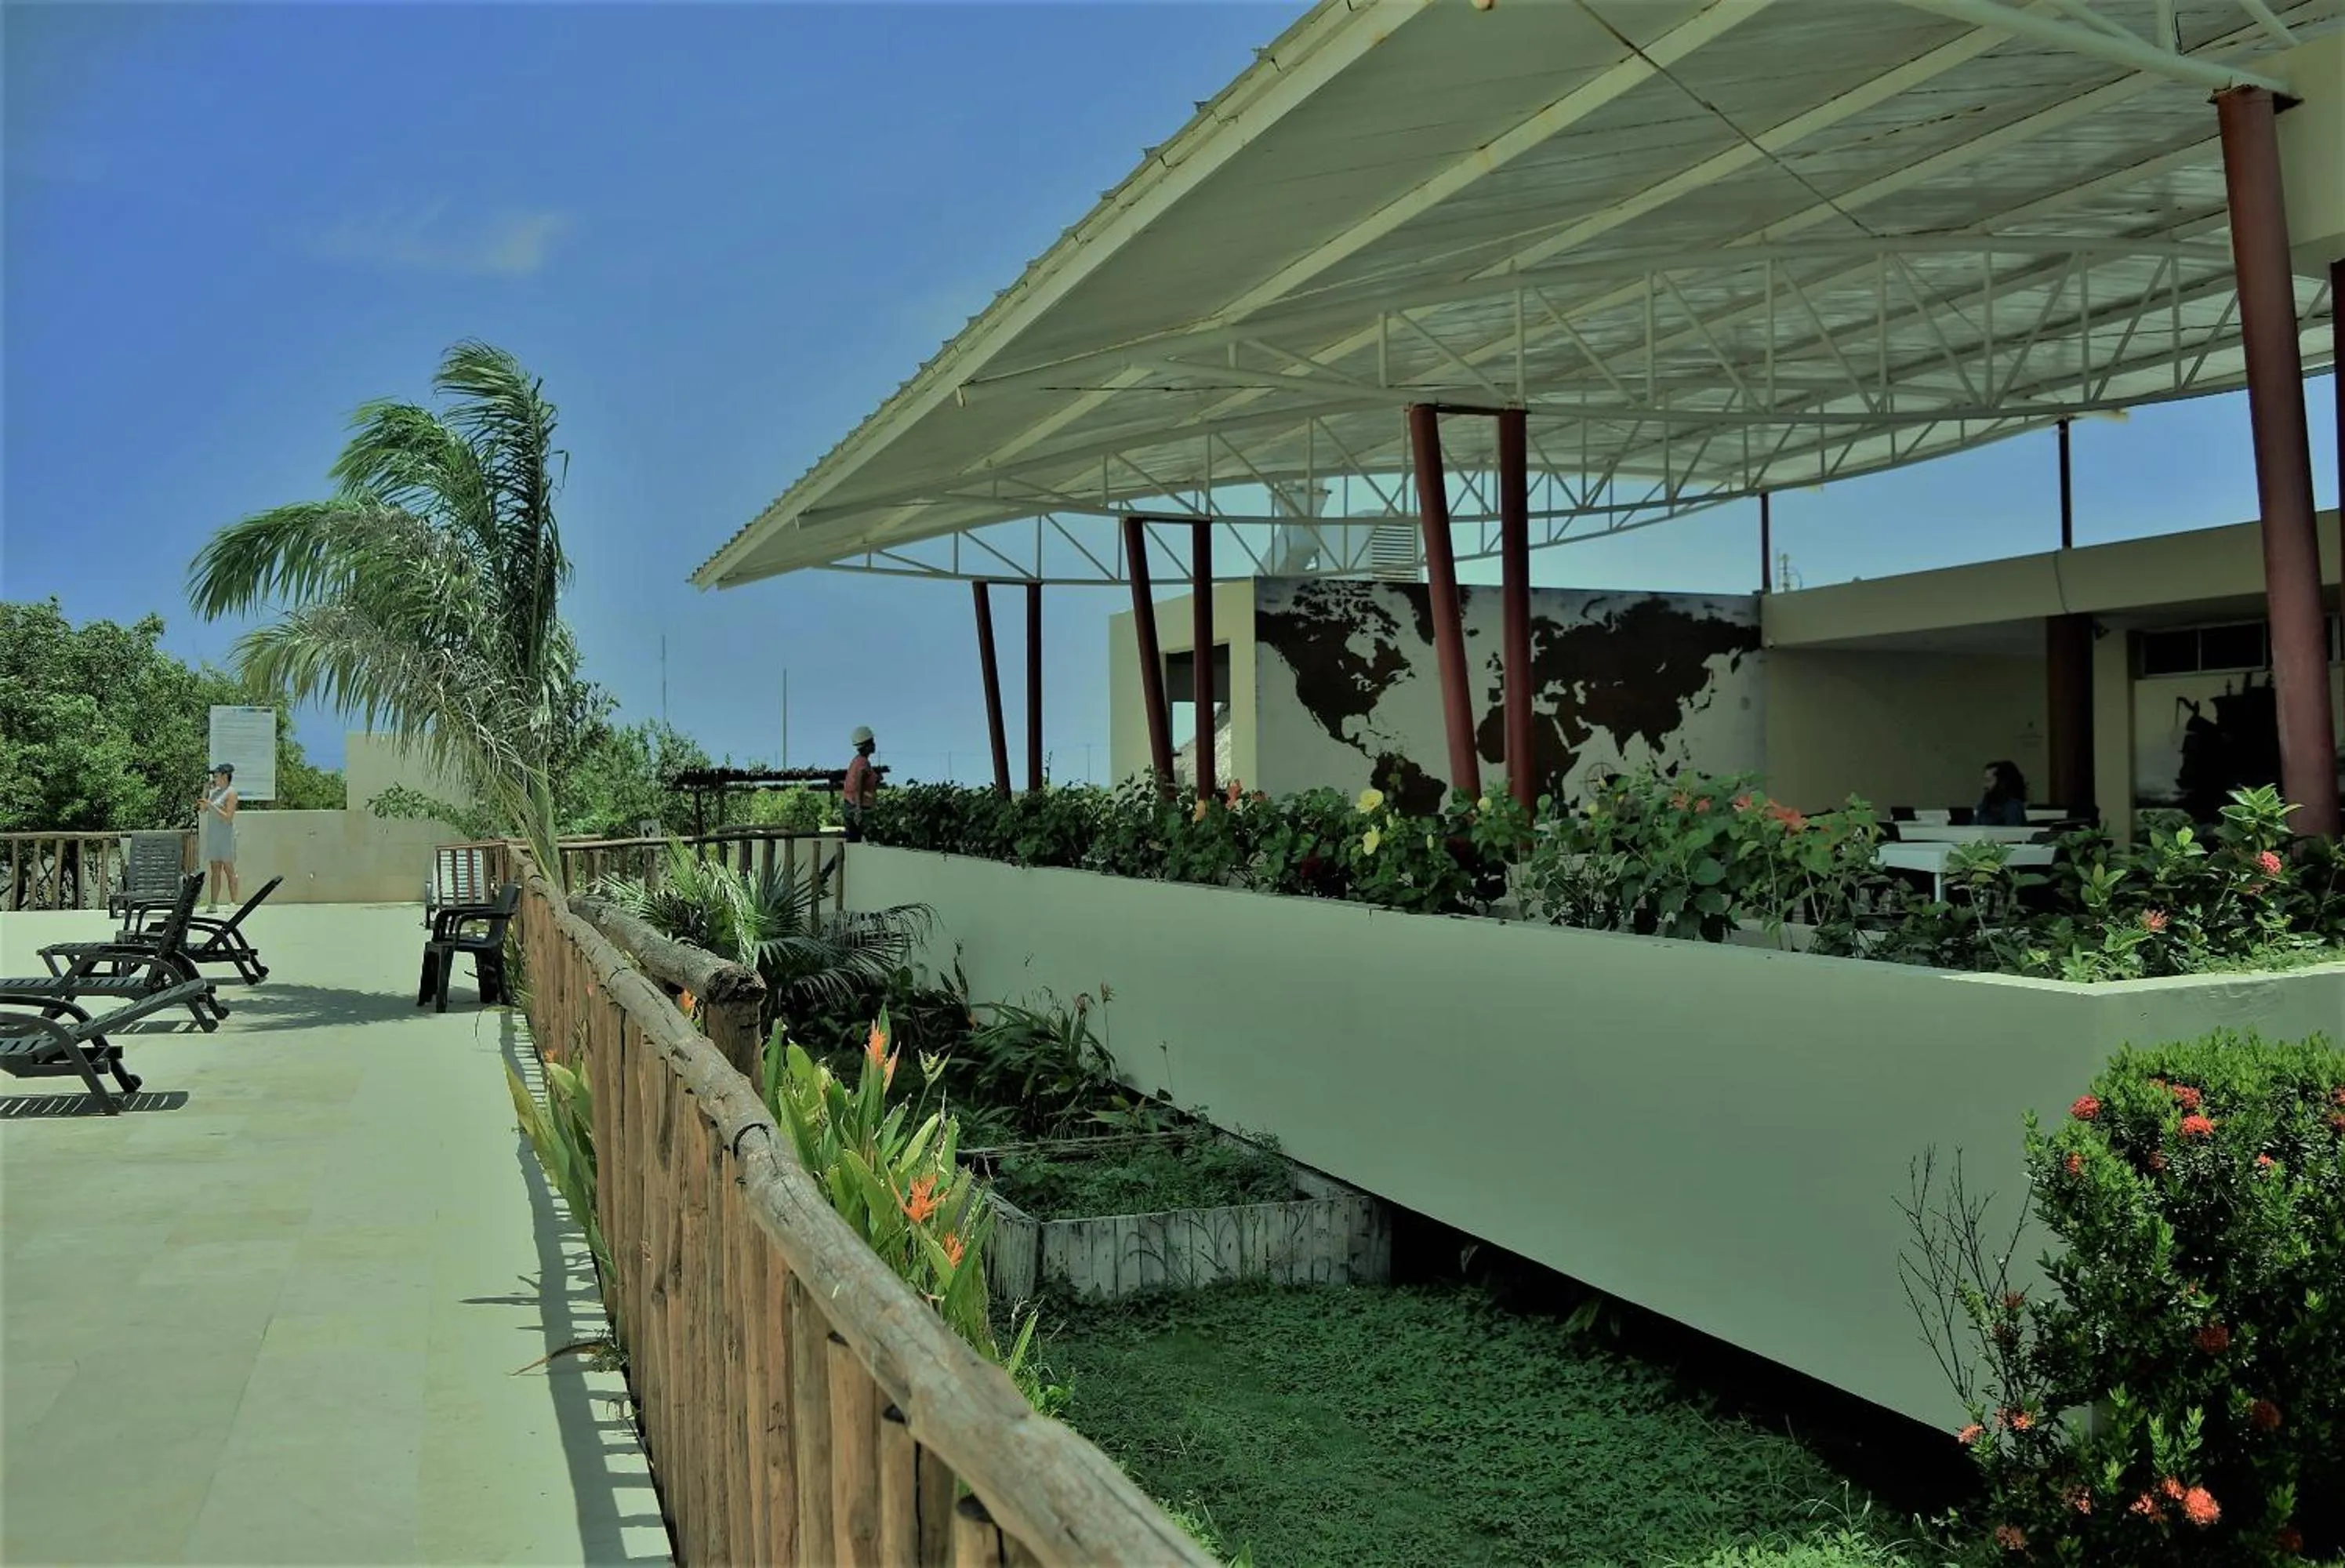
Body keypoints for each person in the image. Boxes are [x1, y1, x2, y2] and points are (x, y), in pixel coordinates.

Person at [198, 762, 240, 911]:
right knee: (215, 869)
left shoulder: (231, 792)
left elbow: (228, 817)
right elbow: (202, 810)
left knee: (229, 869)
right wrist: (205, 792)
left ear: (224, 776)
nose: (214, 778)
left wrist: (212, 805)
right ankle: (213, 903)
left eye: (216, 775)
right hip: (214, 835)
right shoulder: (214, 793)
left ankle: (234, 902)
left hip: (226, 836)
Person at [842, 727, 879, 842]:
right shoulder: (862, 763)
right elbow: (858, 787)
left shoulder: (859, 761)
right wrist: (858, 811)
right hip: (857, 808)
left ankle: (838, 860)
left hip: (853, 806)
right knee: (859, 842)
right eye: (872, 742)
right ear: (867, 746)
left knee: (853, 842)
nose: (874, 745)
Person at [1975, 760, 2029, 827]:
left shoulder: (2013, 806)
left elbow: (2011, 834)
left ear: (2002, 783)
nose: (1985, 786)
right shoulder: (1984, 804)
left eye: (1989, 781)